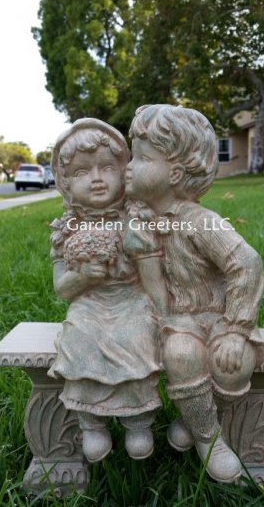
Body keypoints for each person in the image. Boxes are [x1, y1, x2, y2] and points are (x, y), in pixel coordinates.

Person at [125, 104, 264, 483]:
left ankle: (200, 419)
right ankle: (208, 436)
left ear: (173, 172)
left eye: (140, 157)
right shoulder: (136, 218)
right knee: (181, 352)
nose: (128, 165)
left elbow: (246, 264)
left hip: (220, 316)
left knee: (230, 363)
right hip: (175, 320)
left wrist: (237, 329)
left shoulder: (200, 221)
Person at [48, 118, 162, 463]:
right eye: (82, 173)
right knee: (78, 333)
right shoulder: (65, 229)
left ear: (124, 170)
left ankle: (138, 420)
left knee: (139, 333)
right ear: (65, 183)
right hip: (90, 303)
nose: (97, 179)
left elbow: (155, 270)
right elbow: (62, 289)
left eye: (106, 168)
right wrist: (83, 277)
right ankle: (91, 421)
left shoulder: (136, 217)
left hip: (133, 300)